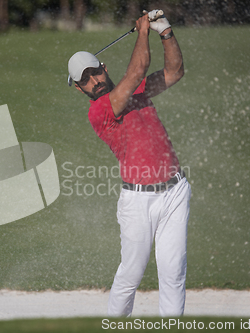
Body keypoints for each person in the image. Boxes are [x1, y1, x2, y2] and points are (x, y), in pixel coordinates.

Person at [67, 10, 191, 317]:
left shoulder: (136, 91)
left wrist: (165, 32)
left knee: (173, 273)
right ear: (79, 88)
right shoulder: (99, 112)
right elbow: (137, 70)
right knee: (131, 276)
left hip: (175, 192)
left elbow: (174, 71)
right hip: (138, 201)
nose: (94, 80)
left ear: (103, 67)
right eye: (85, 80)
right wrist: (142, 31)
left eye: (94, 72)